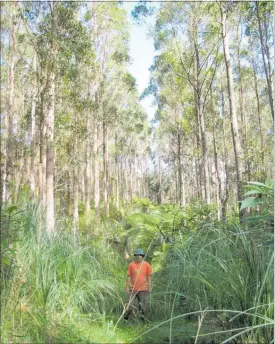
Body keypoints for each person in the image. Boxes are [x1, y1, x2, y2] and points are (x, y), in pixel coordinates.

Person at [124, 248, 152, 321]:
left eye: (140, 255)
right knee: (130, 305)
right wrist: (126, 287)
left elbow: (149, 277)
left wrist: (149, 287)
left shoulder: (147, 265)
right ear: (135, 256)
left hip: (143, 289)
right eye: (137, 255)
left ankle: (143, 320)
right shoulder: (131, 265)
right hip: (132, 289)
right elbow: (129, 276)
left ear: (142, 256)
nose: (139, 256)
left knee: (142, 306)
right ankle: (125, 318)